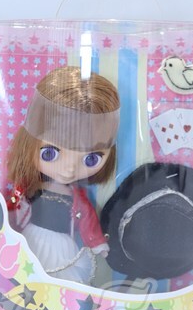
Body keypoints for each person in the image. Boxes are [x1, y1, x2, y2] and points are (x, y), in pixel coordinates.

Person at [7, 65, 120, 284]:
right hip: (32, 238)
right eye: (50, 153)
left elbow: (87, 220)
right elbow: (14, 208)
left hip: (63, 246)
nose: (69, 169)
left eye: (90, 159)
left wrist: (97, 243)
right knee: (27, 276)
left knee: (63, 278)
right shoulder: (29, 188)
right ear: (28, 143)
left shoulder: (77, 198)